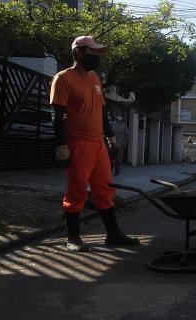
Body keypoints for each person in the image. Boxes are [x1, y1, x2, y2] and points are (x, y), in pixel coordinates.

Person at [50, 36, 140, 252]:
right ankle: (73, 238)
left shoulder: (95, 78)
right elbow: (57, 115)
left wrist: (111, 139)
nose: (96, 57)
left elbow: (100, 112)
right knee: (76, 190)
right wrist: (61, 147)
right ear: (78, 53)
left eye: (98, 53)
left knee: (104, 189)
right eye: (93, 53)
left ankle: (113, 233)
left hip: (98, 144)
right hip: (77, 143)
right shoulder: (63, 79)